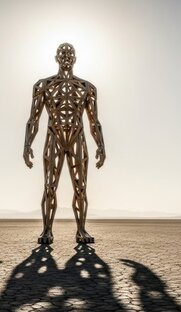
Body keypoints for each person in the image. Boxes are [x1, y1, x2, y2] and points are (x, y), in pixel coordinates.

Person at [23, 43, 106, 244]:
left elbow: (94, 121)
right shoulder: (43, 86)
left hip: (78, 138)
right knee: (49, 186)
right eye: (63, 54)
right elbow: (33, 119)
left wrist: (101, 145)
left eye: (70, 54)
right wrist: (27, 144)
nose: (66, 57)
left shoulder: (87, 88)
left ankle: (81, 230)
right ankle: (47, 230)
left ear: (75, 59)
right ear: (56, 58)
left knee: (81, 188)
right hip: (54, 138)